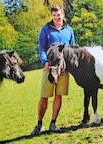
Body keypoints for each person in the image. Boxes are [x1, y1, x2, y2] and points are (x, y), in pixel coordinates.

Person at [30, 4, 75, 136]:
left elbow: (72, 48)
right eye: (54, 15)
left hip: (63, 69)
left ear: (63, 15)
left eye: (58, 15)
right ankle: (39, 124)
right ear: (51, 16)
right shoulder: (46, 29)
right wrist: (45, 62)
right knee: (44, 96)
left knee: (58, 95)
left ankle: (53, 123)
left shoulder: (69, 30)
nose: (56, 17)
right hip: (49, 68)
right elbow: (42, 47)